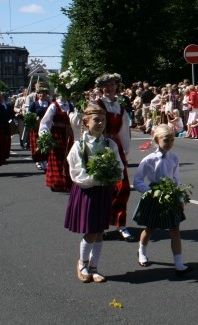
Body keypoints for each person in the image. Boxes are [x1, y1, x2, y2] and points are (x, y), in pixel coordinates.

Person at [64, 102, 124, 283]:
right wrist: (97, 178)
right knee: (91, 230)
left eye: (103, 120)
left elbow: (119, 166)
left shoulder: (109, 144)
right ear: (86, 122)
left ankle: (94, 267)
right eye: (96, 120)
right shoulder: (79, 146)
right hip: (87, 190)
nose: (100, 123)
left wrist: (113, 175)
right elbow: (76, 172)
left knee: (99, 231)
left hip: (103, 190)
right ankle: (82, 263)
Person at [132, 125, 192, 276]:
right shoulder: (149, 159)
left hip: (170, 195)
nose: (170, 142)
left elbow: (176, 179)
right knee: (150, 227)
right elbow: (138, 180)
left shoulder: (174, 157)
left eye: (172, 139)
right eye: (166, 139)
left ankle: (178, 263)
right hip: (155, 195)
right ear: (156, 140)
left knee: (174, 229)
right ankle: (141, 251)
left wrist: (179, 197)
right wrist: (149, 191)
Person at [95, 73, 135, 243]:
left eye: (113, 85)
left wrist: (125, 150)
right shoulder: (96, 104)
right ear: (101, 88)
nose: (110, 88)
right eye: (107, 85)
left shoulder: (120, 107)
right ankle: (100, 223)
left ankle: (121, 224)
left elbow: (124, 130)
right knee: (102, 188)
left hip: (116, 147)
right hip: (100, 147)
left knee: (123, 187)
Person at [38, 94, 75, 192]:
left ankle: (68, 182)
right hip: (57, 134)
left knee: (68, 157)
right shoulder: (54, 105)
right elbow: (45, 121)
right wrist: (45, 135)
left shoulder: (71, 106)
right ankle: (57, 182)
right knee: (57, 157)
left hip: (68, 134)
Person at [28, 88, 51, 171]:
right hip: (36, 128)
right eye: (40, 94)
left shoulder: (49, 104)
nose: (42, 95)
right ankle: (38, 161)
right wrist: (35, 119)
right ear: (38, 95)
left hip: (47, 127)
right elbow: (29, 114)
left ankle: (45, 161)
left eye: (44, 94)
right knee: (37, 145)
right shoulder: (34, 104)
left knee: (45, 144)